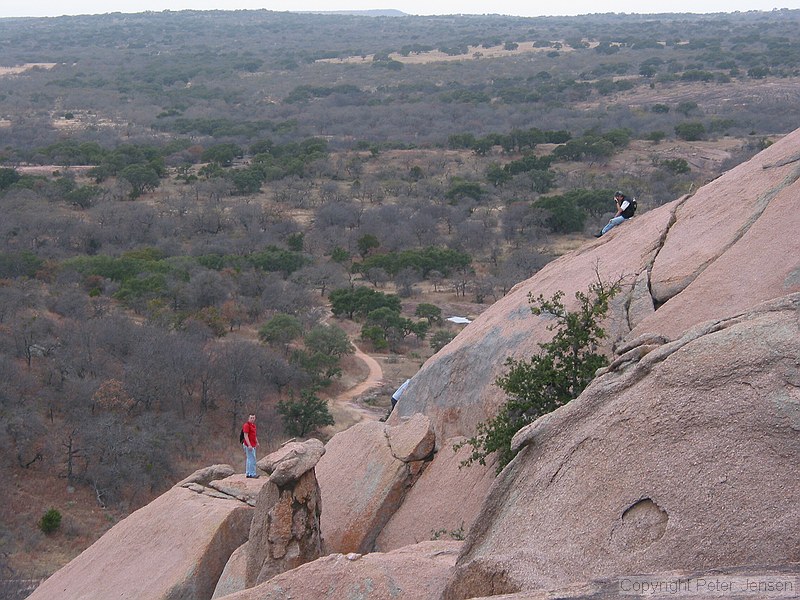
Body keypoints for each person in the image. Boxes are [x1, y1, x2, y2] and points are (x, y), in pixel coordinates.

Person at [242, 414, 259, 478]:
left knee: (249, 459)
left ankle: (248, 473)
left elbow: (254, 435)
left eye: (253, 418)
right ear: (248, 418)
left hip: (253, 444)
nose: (252, 419)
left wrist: (257, 442)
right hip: (248, 445)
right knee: (252, 459)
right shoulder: (246, 425)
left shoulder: (253, 426)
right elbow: (245, 436)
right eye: (251, 418)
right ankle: (252, 474)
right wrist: (249, 445)